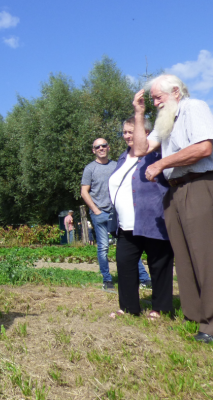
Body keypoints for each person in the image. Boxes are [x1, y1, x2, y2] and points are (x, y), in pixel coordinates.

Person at [132, 74, 213, 343]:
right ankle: (195, 316)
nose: (155, 103)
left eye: (158, 97)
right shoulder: (166, 120)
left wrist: (162, 164)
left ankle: (210, 325)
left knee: (204, 256)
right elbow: (141, 149)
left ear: (176, 92)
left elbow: (204, 147)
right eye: (152, 99)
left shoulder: (194, 108)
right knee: (185, 256)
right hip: (175, 191)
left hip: (199, 184)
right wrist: (139, 113)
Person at [108, 117, 174, 319]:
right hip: (126, 224)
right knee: (125, 263)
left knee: (159, 264)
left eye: (131, 131)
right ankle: (129, 308)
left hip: (153, 219)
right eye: (125, 132)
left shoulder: (156, 153)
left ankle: (160, 309)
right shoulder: (122, 157)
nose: (127, 136)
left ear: (146, 133)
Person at [81, 139, 150, 290]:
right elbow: (84, 191)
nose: (101, 148)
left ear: (108, 148)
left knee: (130, 245)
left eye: (103, 145)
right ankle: (107, 280)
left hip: (118, 213)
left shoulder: (116, 166)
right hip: (100, 214)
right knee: (103, 248)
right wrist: (95, 210)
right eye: (97, 147)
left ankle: (144, 279)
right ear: (93, 150)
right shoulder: (90, 169)